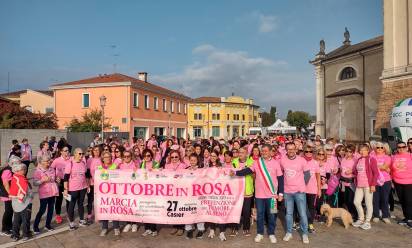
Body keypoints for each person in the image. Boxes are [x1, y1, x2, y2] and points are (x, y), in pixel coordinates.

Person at [232, 144, 284, 244]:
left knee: (272, 214)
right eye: (262, 151)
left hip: (272, 195)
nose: (264, 152)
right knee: (260, 215)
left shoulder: (276, 163)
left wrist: (280, 193)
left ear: (270, 152)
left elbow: (280, 179)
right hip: (259, 195)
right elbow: (247, 170)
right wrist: (235, 173)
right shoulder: (257, 162)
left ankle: (271, 233)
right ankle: (260, 233)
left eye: (266, 151)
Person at [281, 142, 310, 244]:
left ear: (296, 149)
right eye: (289, 149)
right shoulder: (282, 160)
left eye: (293, 149)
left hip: (299, 192)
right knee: (288, 214)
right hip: (287, 192)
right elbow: (280, 175)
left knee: (302, 214)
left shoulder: (302, 160)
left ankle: (305, 233)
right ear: (286, 150)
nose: (291, 151)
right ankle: (289, 233)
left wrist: (301, 185)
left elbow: (307, 175)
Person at [352, 144, 379, 230]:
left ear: (368, 151)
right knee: (356, 202)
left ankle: (367, 221)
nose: (362, 152)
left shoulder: (372, 159)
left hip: (368, 185)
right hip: (359, 185)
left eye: (364, 150)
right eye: (360, 150)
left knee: (368, 203)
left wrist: (373, 185)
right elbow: (357, 172)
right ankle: (361, 218)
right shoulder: (359, 159)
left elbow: (376, 173)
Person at [64, 148, 90, 230]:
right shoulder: (70, 163)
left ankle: (81, 220)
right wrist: (65, 189)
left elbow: (85, 175)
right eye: (79, 154)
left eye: (82, 153)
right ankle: (71, 223)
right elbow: (66, 177)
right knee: (71, 205)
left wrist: (88, 186)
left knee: (81, 204)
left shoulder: (83, 163)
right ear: (74, 154)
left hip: (83, 187)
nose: (81, 155)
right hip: (73, 189)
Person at [231, 147, 254, 236]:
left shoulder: (251, 161)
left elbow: (248, 171)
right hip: (236, 191)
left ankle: (246, 228)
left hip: (247, 190)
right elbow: (231, 173)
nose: (240, 154)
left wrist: (237, 172)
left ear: (246, 153)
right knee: (236, 210)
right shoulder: (234, 161)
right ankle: (234, 228)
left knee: (246, 211)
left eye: (242, 152)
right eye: (239, 152)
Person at [33, 155, 58, 234]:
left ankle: (48, 225)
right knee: (42, 210)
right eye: (46, 161)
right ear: (42, 162)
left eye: (49, 161)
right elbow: (34, 183)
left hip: (52, 192)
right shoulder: (38, 171)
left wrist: (57, 179)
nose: (48, 163)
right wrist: (42, 180)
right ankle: (35, 227)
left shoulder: (51, 169)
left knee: (51, 210)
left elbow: (54, 179)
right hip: (44, 194)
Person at [9, 162, 33, 241]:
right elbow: (24, 189)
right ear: (18, 170)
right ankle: (26, 234)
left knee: (16, 219)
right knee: (25, 219)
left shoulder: (14, 177)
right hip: (24, 202)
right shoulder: (21, 178)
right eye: (23, 169)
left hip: (15, 203)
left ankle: (15, 235)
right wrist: (22, 198)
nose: (25, 170)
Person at [98, 151, 120, 236]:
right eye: (106, 157)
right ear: (102, 159)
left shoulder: (115, 167)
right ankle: (104, 228)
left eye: (109, 157)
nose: (108, 159)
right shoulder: (99, 168)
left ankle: (116, 227)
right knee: (104, 210)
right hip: (103, 194)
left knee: (114, 209)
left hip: (114, 192)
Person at [391, 141, 412, 228]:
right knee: (402, 201)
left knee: (409, 201)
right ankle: (406, 217)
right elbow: (391, 169)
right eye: (399, 147)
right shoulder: (394, 157)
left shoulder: (410, 156)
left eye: (403, 147)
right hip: (397, 182)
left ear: (406, 147)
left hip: (409, 182)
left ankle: (410, 219)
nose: (401, 149)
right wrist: (392, 180)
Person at [184, 154, 206, 239]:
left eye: (194, 160)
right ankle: (189, 229)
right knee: (188, 212)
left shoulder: (201, 170)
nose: (193, 162)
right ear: (189, 160)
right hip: (188, 195)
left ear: (197, 161)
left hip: (198, 195)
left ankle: (201, 229)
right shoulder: (185, 170)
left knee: (199, 211)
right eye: (191, 160)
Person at [140, 149, 159, 237]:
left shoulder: (155, 163)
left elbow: (159, 175)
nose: (146, 157)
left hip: (153, 190)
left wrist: (156, 171)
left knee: (152, 210)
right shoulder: (142, 164)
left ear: (151, 156)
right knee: (145, 210)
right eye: (145, 156)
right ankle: (147, 229)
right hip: (143, 190)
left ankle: (153, 228)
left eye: (148, 155)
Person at [372, 142, 392, 224]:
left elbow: (385, 167)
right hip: (375, 181)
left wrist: (377, 167)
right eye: (378, 147)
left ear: (384, 149)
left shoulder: (387, 157)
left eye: (381, 147)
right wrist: (381, 167)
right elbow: (371, 168)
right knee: (375, 199)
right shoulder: (372, 157)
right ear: (375, 149)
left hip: (386, 181)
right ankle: (376, 215)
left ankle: (385, 216)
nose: (379, 149)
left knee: (385, 198)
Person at [50, 146, 71, 224]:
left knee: (68, 198)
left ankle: (69, 213)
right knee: (59, 199)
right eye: (65, 151)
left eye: (68, 151)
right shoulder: (57, 160)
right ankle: (58, 215)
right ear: (61, 152)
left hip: (69, 181)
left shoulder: (71, 159)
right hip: (60, 182)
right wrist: (55, 177)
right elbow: (51, 169)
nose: (67, 152)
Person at [303, 145, 321, 233]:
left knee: (311, 208)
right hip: (302, 189)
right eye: (306, 151)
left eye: (310, 152)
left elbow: (318, 176)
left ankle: (310, 224)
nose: (308, 153)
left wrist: (319, 189)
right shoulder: (301, 161)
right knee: (302, 207)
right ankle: (302, 222)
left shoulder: (315, 162)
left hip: (312, 189)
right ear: (304, 152)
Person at [0, 156, 19, 236]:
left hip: (11, 194)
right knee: (8, 211)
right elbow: (6, 184)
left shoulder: (12, 169)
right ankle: (4, 229)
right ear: (12, 163)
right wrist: (10, 194)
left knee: (11, 210)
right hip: (7, 194)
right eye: (17, 163)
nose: (19, 165)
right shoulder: (7, 171)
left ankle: (9, 226)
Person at [340, 144, 357, 220]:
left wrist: (352, 172)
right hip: (343, 182)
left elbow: (358, 172)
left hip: (351, 183)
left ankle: (355, 214)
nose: (348, 153)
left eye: (350, 152)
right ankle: (350, 214)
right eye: (346, 151)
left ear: (353, 152)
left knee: (351, 200)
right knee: (346, 200)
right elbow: (341, 169)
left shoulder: (355, 160)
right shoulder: (343, 159)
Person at [86, 145, 102, 223]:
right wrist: (88, 184)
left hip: (100, 184)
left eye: (98, 150)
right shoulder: (89, 160)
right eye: (95, 150)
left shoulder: (102, 159)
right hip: (92, 183)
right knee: (90, 199)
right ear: (92, 151)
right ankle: (89, 214)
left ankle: (99, 215)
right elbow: (88, 173)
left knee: (98, 200)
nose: (96, 151)